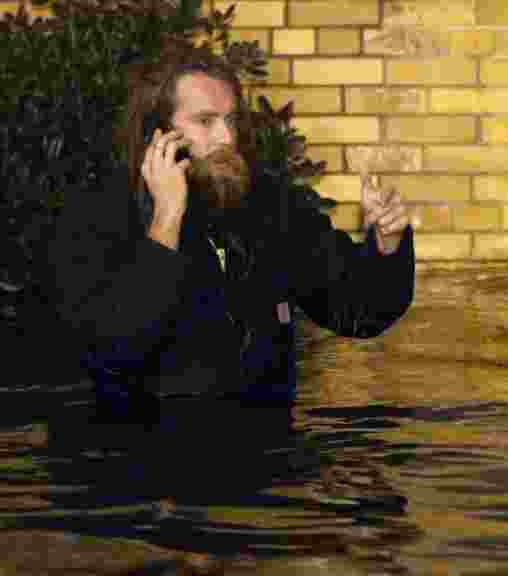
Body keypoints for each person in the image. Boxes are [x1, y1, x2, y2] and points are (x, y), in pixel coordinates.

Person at [48, 44, 415, 420]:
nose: (226, 137)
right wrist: (166, 222)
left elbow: (358, 309)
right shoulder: (96, 215)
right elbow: (114, 350)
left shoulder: (270, 206)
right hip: (142, 455)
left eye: (231, 120)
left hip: (264, 454)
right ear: (158, 136)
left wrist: (387, 243)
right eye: (205, 121)